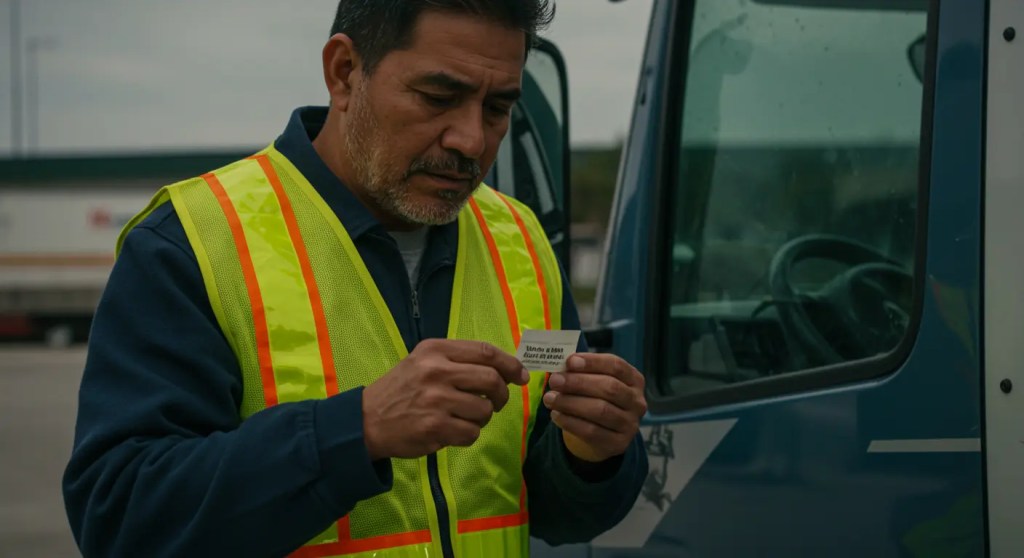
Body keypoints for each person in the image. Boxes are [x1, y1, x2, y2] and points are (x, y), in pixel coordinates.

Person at [62, 1, 649, 556]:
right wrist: (357, 430)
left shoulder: (520, 239)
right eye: (439, 96)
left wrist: (590, 455)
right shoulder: (192, 242)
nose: (471, 139)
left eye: (497, 108)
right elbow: (120, 520)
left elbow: (548, 510)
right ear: (344, 73)